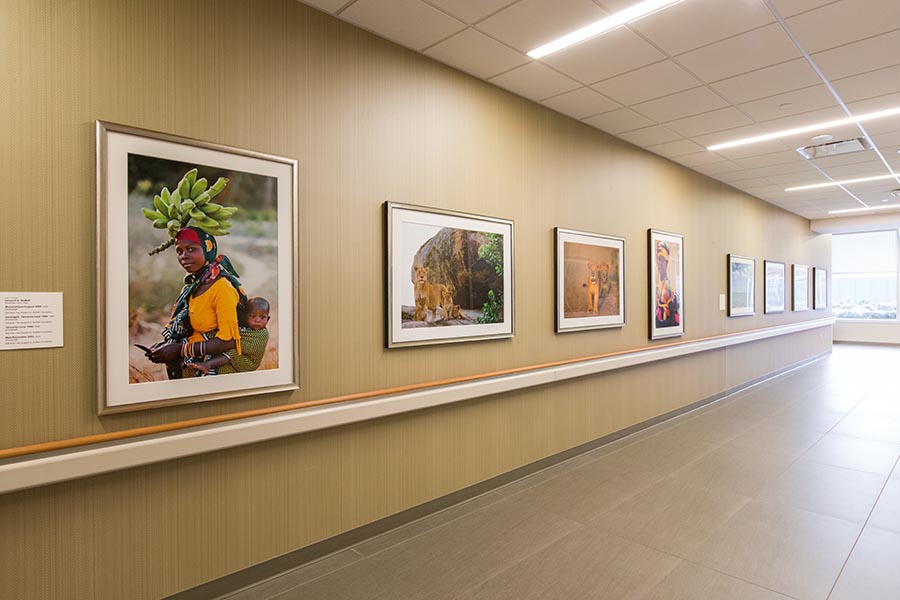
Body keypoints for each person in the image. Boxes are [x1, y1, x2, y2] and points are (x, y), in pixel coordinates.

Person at [146, 227, 248, 378]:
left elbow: (230, 341)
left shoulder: (222, 288)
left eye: (191, 249)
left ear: (208, 249)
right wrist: (166, 346)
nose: (184, 256)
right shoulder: (193, 286)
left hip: (215, 375)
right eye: (179, 251)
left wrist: (180, 349)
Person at [187, 297, 271, 375]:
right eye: (253, 316)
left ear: (268, 319)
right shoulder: (245, 328)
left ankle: (207, 364)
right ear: (245, 317)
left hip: (249, 362)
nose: (257, 320)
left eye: (262, 317)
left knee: (232, 351)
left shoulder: (263, 334)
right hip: (241, 356)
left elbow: (246, 347)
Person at [655, 241, 680, 328]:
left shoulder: (670, 288)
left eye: (662, 259)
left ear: (667, 262)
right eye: (658, 259)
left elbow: (676, 320)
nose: (659, 263)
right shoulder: (657, 287)